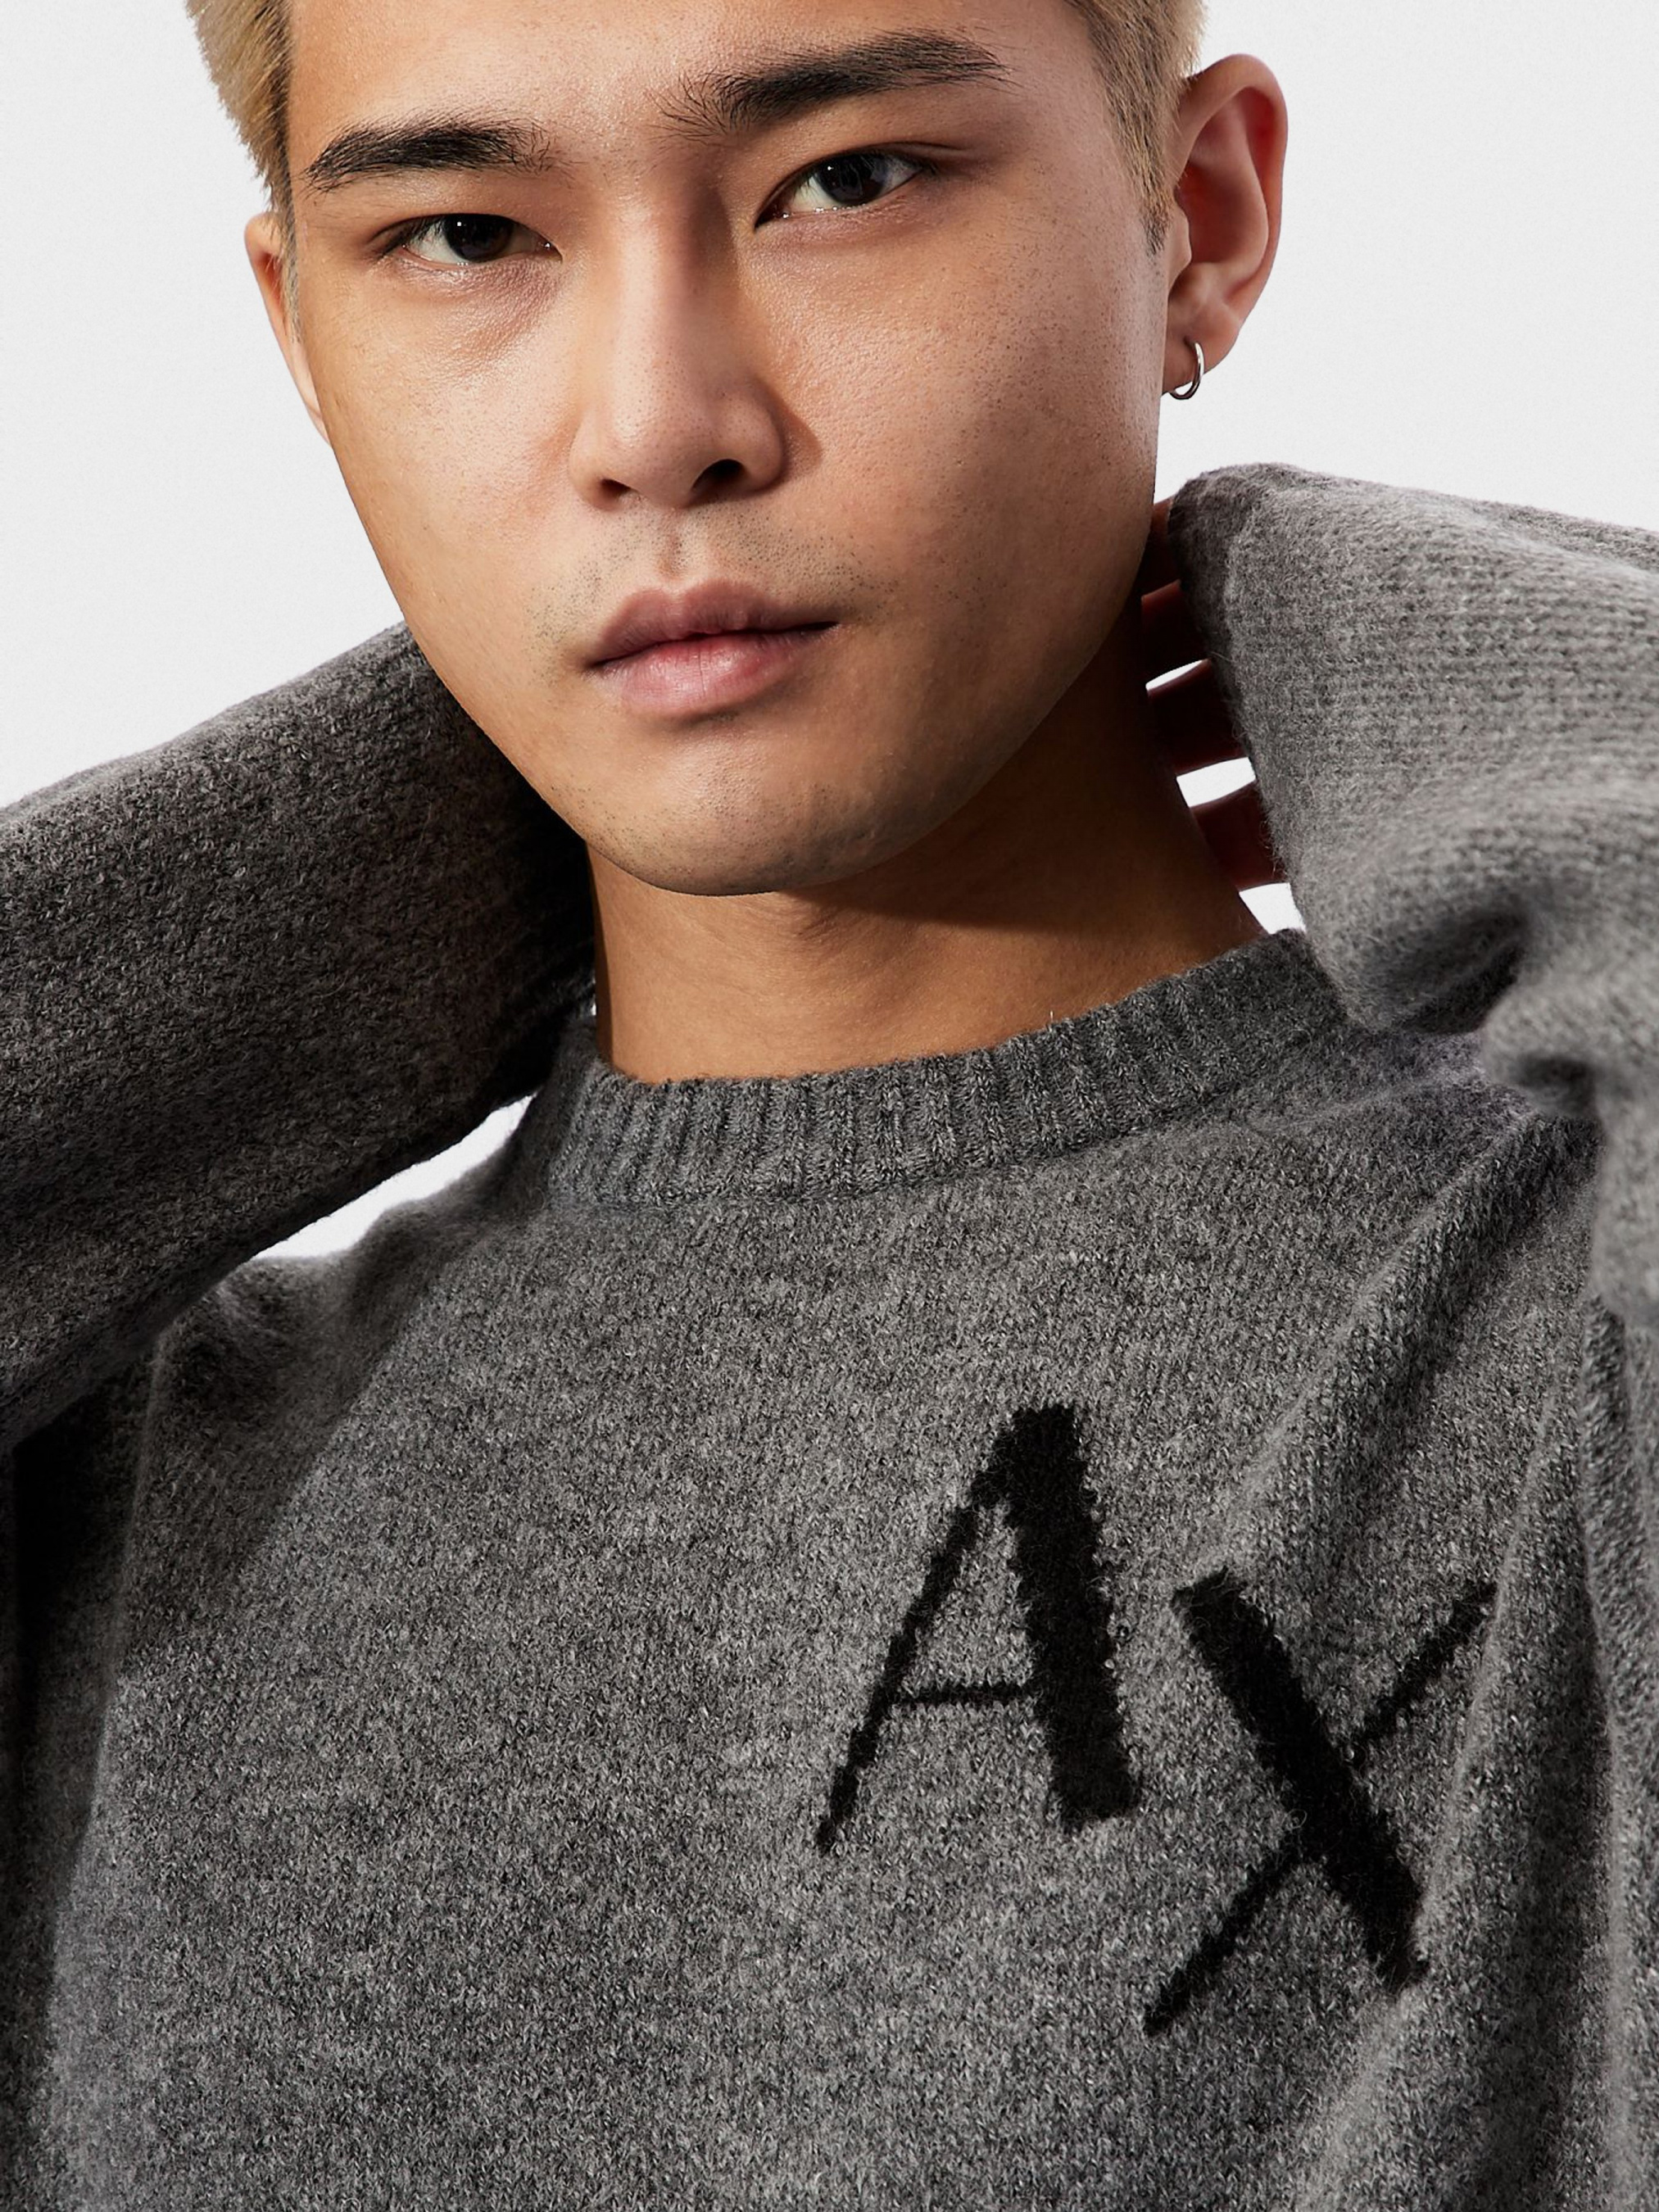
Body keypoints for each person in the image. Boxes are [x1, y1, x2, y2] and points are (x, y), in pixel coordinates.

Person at [2, 0, 1654, 2205]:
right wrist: (369, 878)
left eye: (846, 181)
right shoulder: (123, 1489)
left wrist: (1422, 646)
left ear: (1197, 213)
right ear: (302, 333)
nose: (657, 425)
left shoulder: (1572, 1324)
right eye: (466, 237)